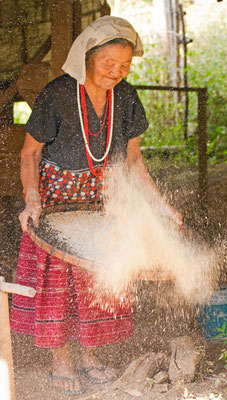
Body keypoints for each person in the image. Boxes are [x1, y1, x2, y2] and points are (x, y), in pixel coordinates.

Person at [10, 16, 183, 396]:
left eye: (125, 66)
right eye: (108, 64)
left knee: (95, 281)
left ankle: (89, 357)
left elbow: (134, 161)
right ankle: (62, 361)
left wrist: (160, 207)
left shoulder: (126, 97)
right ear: (86, 58)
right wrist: (33, 198)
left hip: (102, 198)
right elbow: (30, 153)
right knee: (58, 284)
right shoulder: (57, 94)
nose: (116, 73)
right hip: (55, 200)